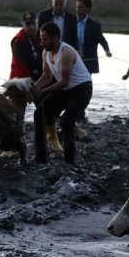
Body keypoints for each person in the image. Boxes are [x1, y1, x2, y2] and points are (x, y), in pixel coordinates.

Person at [33, 22, 93, 165]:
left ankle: (69, 160)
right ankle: (41, 158)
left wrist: (41, 92)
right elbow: (47, 77)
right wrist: (33, 88)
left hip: (81, 90)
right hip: (66, 90)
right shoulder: (45, 53)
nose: (42, 43)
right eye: (41, 39)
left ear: (55, 38)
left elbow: (64, 82)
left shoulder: (66, 52)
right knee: (39, 113)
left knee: (66, 120)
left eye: (45, 39)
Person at [75, 0, 112, 74]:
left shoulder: (95, 25)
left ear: (88, 9)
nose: (78, 9)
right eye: (77, 7)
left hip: (87, 62)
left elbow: (102, 40)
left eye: (81, 7)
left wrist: (107, 50)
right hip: (72, 60)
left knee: (86, 84)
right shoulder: (71, 22)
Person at [9, 11, 42, 81]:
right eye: (28, 24)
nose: (31, 27)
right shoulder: (18, 41)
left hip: (37, 75)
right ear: (23, 25)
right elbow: (29, 62)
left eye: (33, 23)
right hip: (20, 80)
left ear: (37, 23)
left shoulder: (42, 36)